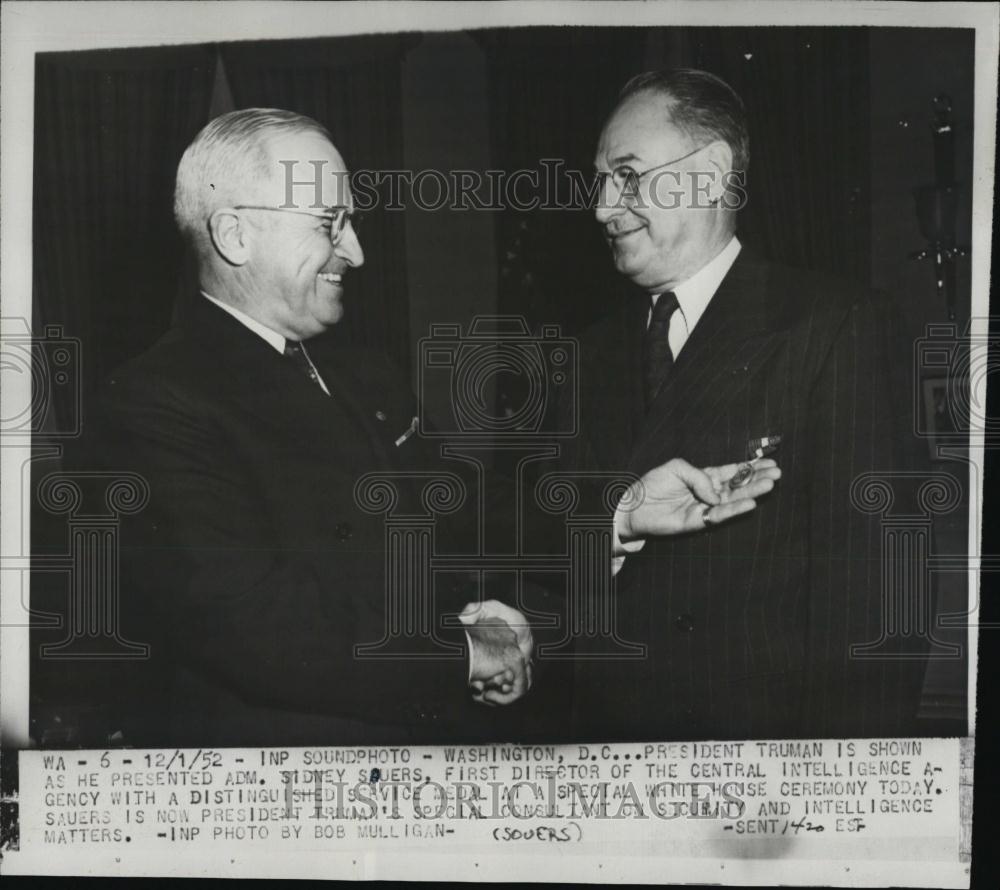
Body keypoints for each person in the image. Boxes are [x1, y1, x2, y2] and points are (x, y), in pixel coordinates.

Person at [95, 108, 778, 747]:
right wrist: (466, 653)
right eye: (329, 223)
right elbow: (255, 627)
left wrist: (619, 513)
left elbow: (457, 509)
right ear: (235, 235)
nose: (356, 252)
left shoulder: (364, 373)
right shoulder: (154, 401)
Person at [561, 69, 926, 741]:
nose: (602, 207)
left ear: (709, 173)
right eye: (601, 181)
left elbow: (877, 606)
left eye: (628, 174)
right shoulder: (587, 353)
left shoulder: (836, 324)